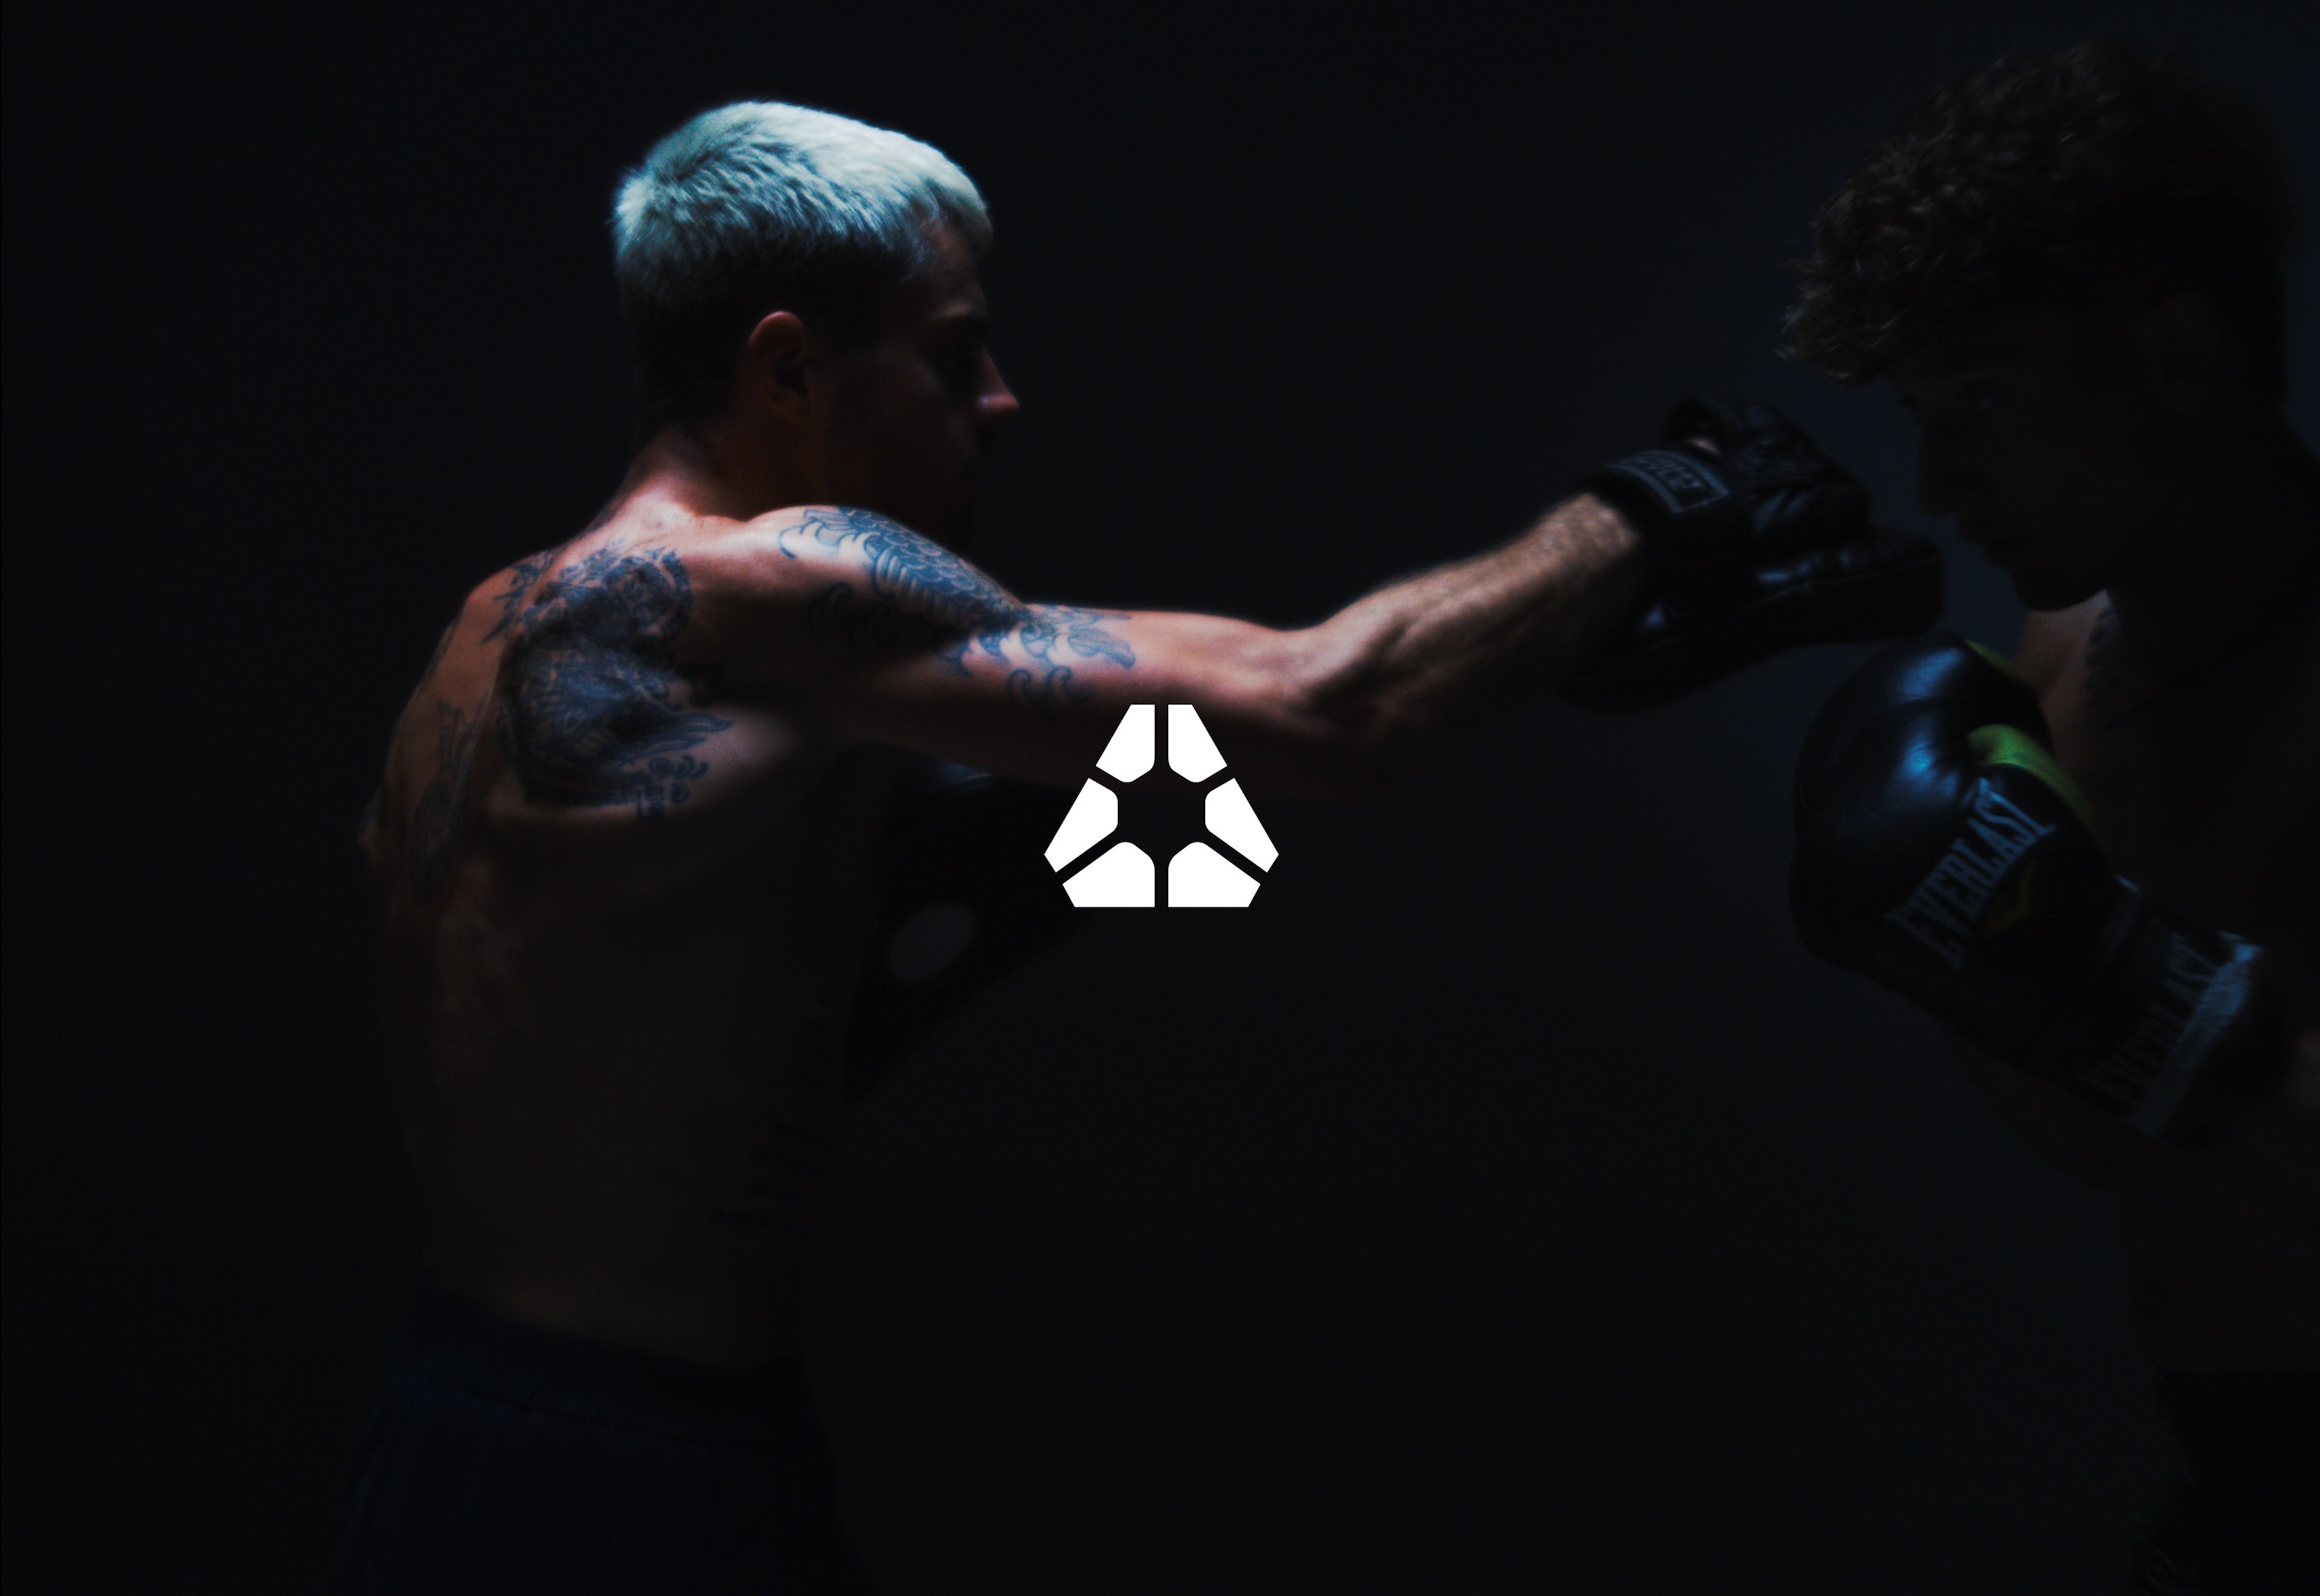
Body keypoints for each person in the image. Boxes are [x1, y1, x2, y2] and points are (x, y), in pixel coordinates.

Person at [349, 100, 1934, 1592]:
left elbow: (739, 1016)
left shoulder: (490, 641)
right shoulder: (764, 584)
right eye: (952, 351)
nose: (999, 400)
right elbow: (1332, 715)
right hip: (644, 1478)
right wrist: (1662, 505)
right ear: (786, 370)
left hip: (460, 1427)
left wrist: (1540, 646)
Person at [1784, 44, 2319, 1592]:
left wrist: (2137, 998)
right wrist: (1947, 945)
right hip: (2238, 1474)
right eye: (1917, 413)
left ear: (2172, 355)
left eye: (1983, 401)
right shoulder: (2061, 659)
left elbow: (2159, 1042)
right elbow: (2114, 1145)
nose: (1939, 479)